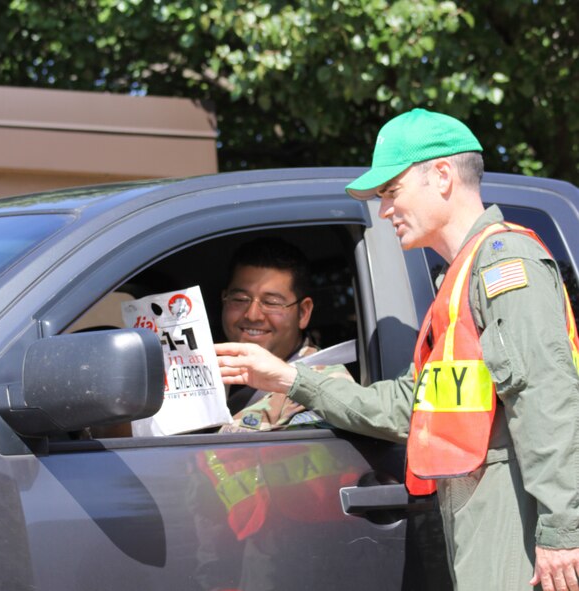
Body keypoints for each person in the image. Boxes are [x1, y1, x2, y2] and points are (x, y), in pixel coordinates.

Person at [215, 109, 579, 591]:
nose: (385, 210)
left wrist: (562, 531)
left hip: (516, 518)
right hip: (479, 511)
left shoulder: (504, 265)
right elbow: (408, 405)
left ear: (443, 176)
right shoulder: (457, 281)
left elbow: (547, 397)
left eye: (392, 191)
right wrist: (288, 379)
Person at [218, 236, 353, 433]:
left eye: (271, 302)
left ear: (304, 312)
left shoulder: (324, 387)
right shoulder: (200, 369)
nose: (252, 315)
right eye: (239, 299)